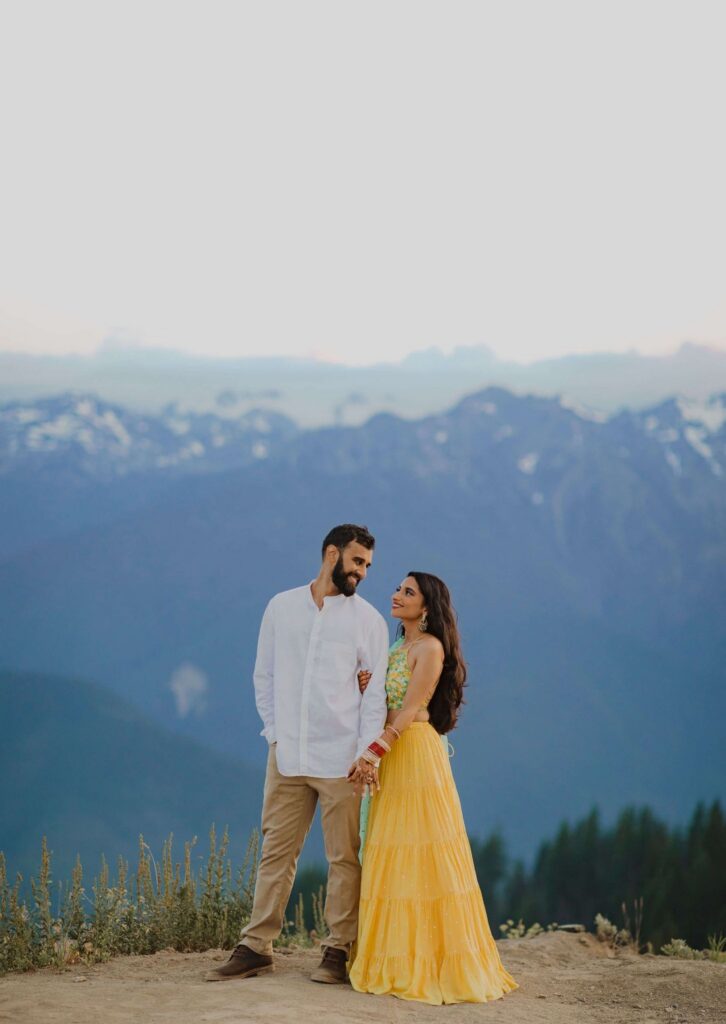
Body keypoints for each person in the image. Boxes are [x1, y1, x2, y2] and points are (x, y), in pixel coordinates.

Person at [206, 524, 389, 984]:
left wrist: (368, 755)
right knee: (275, 852)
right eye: (357, 562)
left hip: (341, 759)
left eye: (367, 565)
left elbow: (375, 697)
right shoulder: (281, 607)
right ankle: (255, 946)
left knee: (344, 857)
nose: (363, 573)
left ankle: (337, 950)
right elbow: (263, 675)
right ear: (332, 554)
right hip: (287, 755)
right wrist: (274, 734)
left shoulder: (368, 620)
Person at [347, 572, 518, 1005]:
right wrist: (369, 691)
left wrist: (375, 750)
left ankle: (432, 962)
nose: (397, 596)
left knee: (423, 851)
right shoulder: (398, 647)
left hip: (415, 753)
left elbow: (411, 708)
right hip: (394, 751)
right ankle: (395, 956)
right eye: (398, 589)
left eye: (408, 592)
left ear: (426, 608)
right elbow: (389, 702)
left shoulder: (431, 649)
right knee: (392, 848)